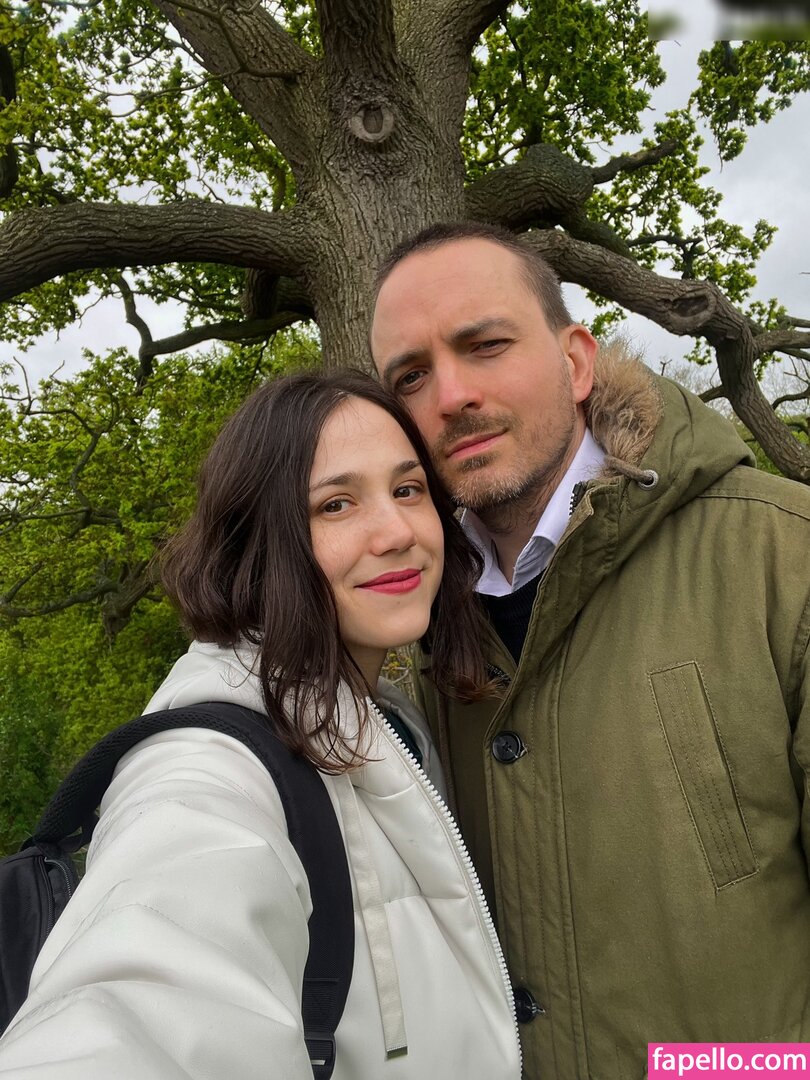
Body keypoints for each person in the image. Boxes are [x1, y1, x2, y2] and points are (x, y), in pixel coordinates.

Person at [370, 222, 810, 1080]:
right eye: (411, 377)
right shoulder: (406, 628)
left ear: (576, 362)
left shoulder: (783, 560)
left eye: (485, 345)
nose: (450, 395)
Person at [0, 370, 522, 1080]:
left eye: (407, 490)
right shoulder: (207, 767)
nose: (397, 532)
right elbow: (142, 1004)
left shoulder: (396, 722)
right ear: (258, 541)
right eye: (335, 504)